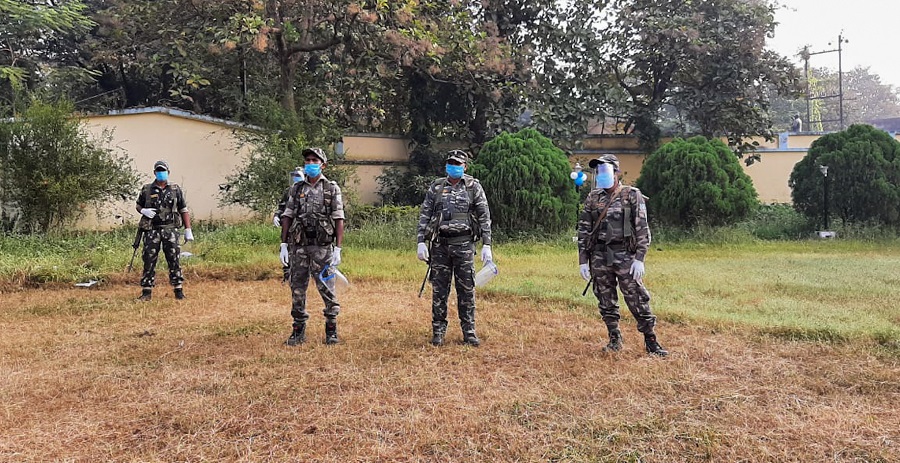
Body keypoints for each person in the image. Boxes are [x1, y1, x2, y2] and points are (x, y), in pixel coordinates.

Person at [577, 154, 667, 356]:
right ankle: (614, 338)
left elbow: (642, 228)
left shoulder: (631, 195)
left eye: (604, 170)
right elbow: (583, 229)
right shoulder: (593, 197)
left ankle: (651, 340)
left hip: (625, 254)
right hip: (600, 255)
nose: (600, 174)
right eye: (597, 171)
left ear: (616, 172)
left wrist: (640, 258)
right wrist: (583, 260)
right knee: (605, 298)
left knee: (636, 297)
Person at [416, 150, 492, 347]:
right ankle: (438, 331)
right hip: (440, 246)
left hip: (464, 245)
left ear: (465, 166)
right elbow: (425, 214)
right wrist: (421, 242)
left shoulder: (473, 187)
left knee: (466, 290)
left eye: (457, 164)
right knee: (439, 291)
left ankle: (469, 330)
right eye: (450, 163)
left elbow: (484, 216)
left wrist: (487, 244)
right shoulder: (437, 187)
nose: (453, 167)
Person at [279, 148, 344, 346]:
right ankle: (298, 330)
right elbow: (288, 215)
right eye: (307, 160)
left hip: (322, 247)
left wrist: (338, 248)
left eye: (314, 160)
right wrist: (283, 244)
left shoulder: (331, 188)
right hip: (299, 246)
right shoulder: (297, 189)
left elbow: (339, 218)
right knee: (297, 287)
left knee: (327, 288)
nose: (310, 164)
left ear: (323, 164)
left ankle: (331, 329)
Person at [135, 160, 193, 301]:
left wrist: (188, 229)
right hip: (152, 230)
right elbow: (138, 205)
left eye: (163, 171)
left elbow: (183, 209)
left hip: (170, 230)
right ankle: (146, 292)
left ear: (168, 172)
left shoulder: (175, 189)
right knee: (149, 260)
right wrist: (143, 210)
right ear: (154, 173)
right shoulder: (147, 189)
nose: (161, 173)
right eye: (159, 171)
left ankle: (178, 290)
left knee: (174, 259)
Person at [274, 167, 304, 283]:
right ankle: (287, 277)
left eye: (297, 176)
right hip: (289, 227)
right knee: (286, 250)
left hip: (302, 228)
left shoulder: (306, 190)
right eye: (293, 176)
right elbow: (282, 207)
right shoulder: (288, 191)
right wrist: (276, 216)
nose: (295, 179)